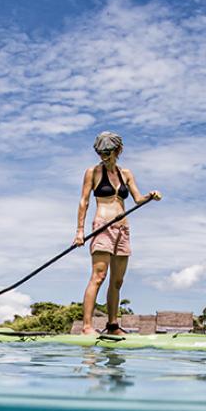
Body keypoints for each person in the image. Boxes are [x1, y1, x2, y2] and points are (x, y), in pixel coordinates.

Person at [74, 131, 161, 336]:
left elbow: (137, 199)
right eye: (102, 152)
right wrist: (80, 231)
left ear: (118, 150)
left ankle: (112, 325)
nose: (105, 156)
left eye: (109, 151)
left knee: (117, 281)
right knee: (99, 276)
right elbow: (84, 201)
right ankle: (87, 326)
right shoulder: (93, 172)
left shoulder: (126, 173)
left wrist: (150, 196)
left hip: (124, 228)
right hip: (102, 226)